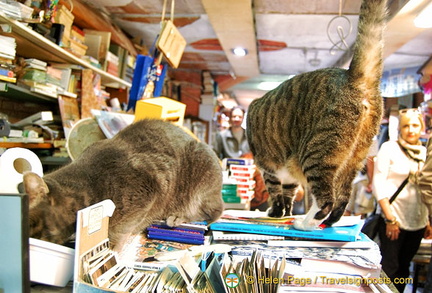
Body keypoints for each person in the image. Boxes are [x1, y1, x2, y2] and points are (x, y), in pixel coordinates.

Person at [372, 108, 430, 292]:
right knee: (389, 268)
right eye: (406, 126)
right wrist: (390, 218)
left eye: (414, 125)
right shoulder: (389, 148)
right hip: (393, 218)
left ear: (421, 127)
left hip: (418, 221)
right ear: (400, 129)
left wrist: (428, 220)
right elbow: (378, 184)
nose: (410, 130)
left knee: (405, 268)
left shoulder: (424, 151)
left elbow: (427, 188)